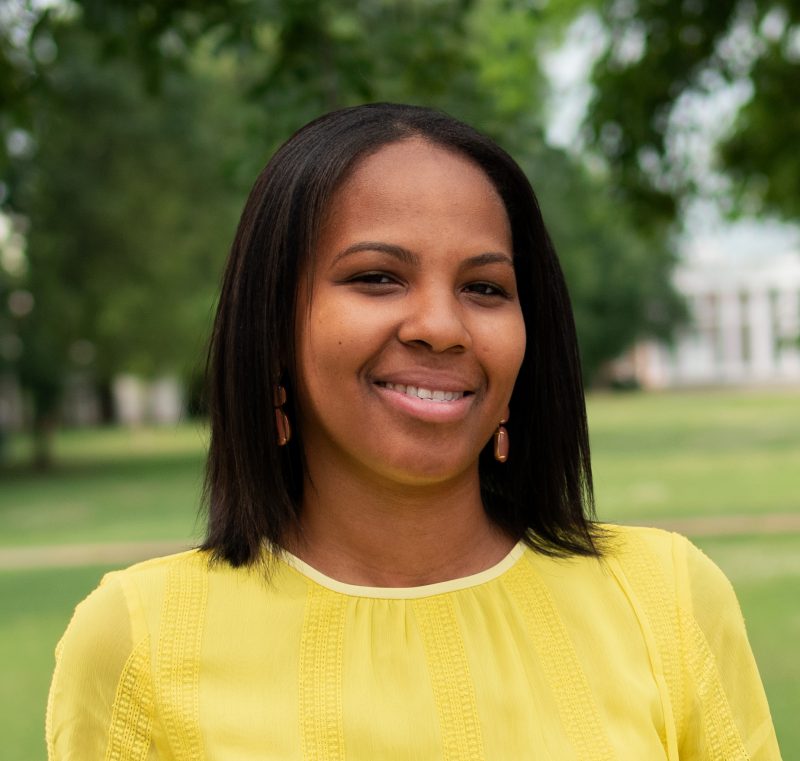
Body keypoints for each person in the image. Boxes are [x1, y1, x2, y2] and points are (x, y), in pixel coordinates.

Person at [47, 103, 781, 760]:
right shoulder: (138, 640)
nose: (440, 326)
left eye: (485, 288)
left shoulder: (666, 599)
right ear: (272, 327)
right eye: (376, 276)